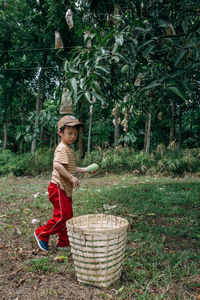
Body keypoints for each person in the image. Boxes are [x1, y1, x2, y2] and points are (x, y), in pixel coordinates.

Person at [34, 115, 88, 251]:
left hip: (65, 189)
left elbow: (70, 167)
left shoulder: (68, 149)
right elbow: (57, 165)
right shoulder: (62, 148)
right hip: (58, 187)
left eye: (75, 134)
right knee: (63, 215)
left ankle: (64, 243)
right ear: (60, 132)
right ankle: (41, 233)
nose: (73, 136)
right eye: (69, 133)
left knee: (67, 216)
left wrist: (85, 169)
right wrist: (71, 178)